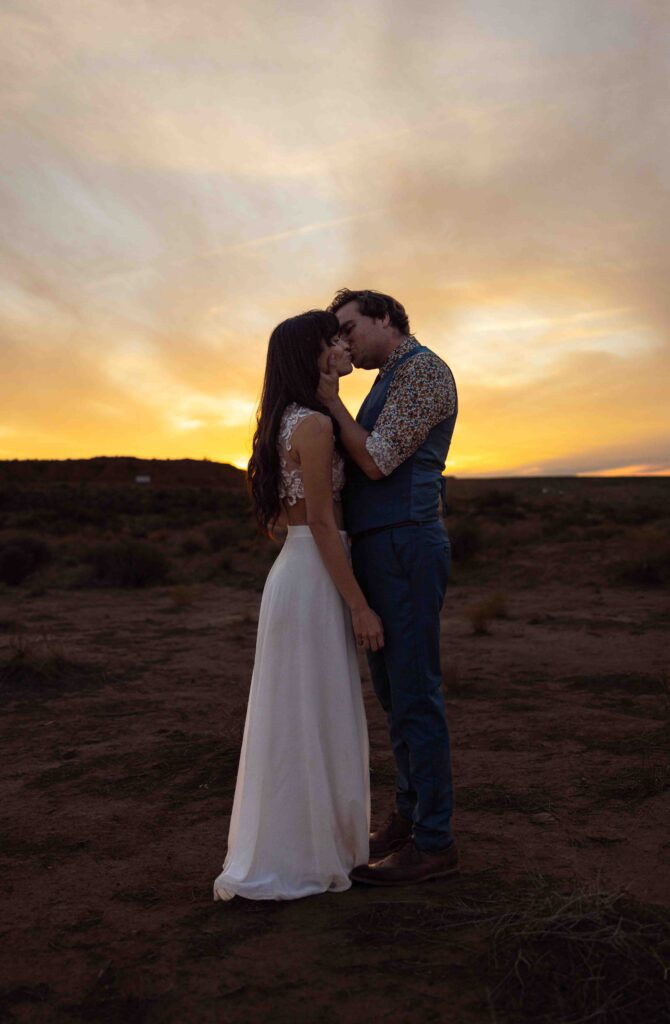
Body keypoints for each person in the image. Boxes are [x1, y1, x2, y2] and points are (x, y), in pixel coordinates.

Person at [213, 310, 384, 902]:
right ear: (308, 353)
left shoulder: (287, 419)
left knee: (305, 709)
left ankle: (312, 841)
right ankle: (310, 852)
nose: (340, 345)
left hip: (299, 572)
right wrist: (359, 604)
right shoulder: (310, 425)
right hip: (314, 573)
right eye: (330, 339)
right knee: (313, 707)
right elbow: (319, 519)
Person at [317, 288, 459, 886]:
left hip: (405, 543)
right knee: (393, 695)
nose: (345, 341)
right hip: (380, 546)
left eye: (351, 328)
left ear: (386, 318)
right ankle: (408, 816)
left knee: (414, 695)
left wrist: (331, 402)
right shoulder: (386, 379)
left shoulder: (422, 372)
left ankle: (435, 842)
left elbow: (375, 462)